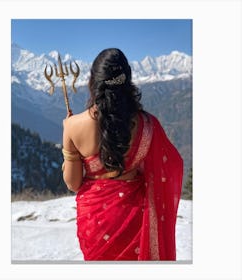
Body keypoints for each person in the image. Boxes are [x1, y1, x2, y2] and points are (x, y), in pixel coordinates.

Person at [62, 48, 183, 261]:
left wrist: (68, 154)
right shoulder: (147, 124)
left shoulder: (73, 126)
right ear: (128, 81)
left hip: (96, 222)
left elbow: (73, 183)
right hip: (136, 216)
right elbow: (170, 166)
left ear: (94, 81)